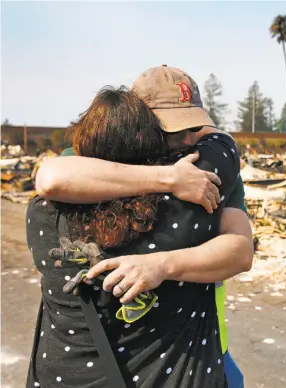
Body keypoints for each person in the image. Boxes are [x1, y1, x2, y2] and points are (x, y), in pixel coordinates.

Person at [35, 65, 248, 388]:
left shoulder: (206, 171)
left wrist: (161, 265)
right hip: (108, 357)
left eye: (193, 126)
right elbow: (51, 178)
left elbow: (240, 251)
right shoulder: (96, 159)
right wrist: (169, 179)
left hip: (196, 352)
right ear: (138, 123)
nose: (188, 139)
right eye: (173, 130)